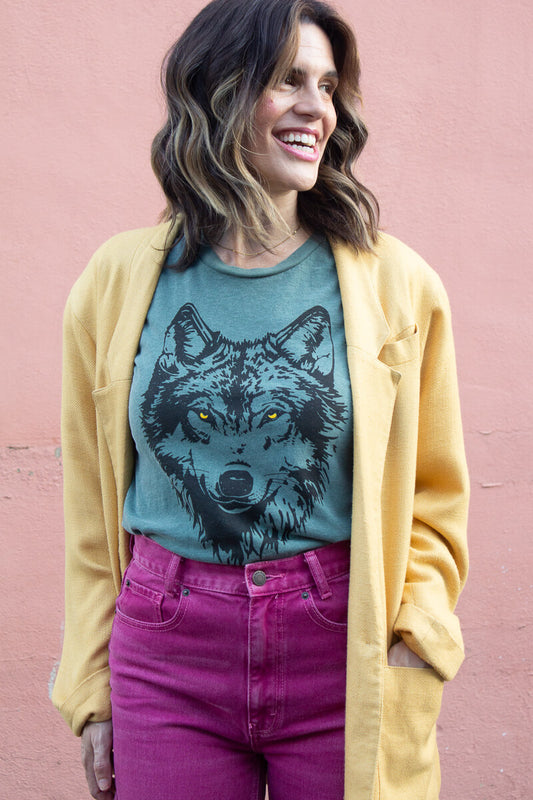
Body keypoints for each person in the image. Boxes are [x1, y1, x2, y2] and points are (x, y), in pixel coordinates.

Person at [52, 0, 469, 798]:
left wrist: (416, 634)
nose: (317, 107)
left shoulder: (395, 284)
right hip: (165, 647)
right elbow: (90, 513)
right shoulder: (115, 281)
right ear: (217, 93)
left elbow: (434, 491)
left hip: (341, 641)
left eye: (327, 86)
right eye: (287, 81)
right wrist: (90, 683)